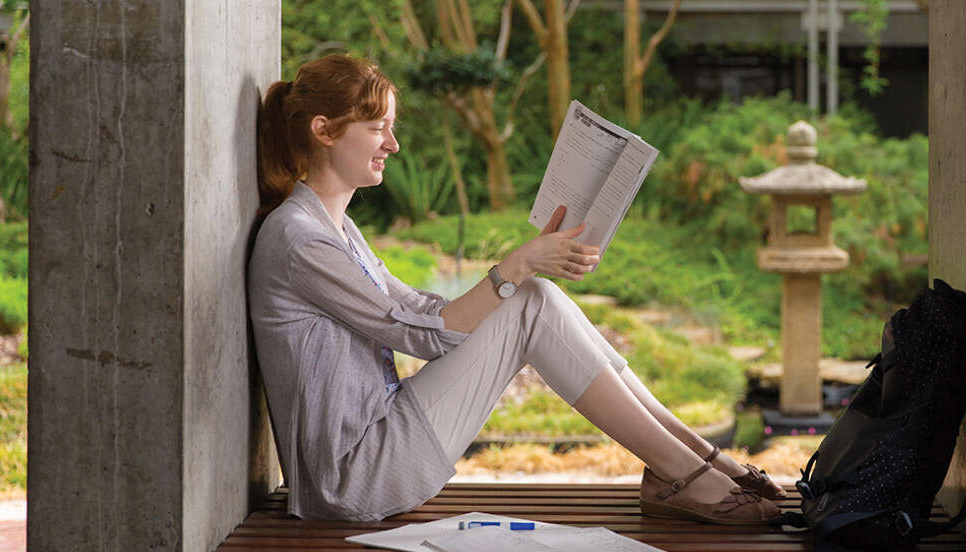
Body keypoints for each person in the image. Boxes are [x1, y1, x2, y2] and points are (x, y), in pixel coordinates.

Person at [249, 54, 785, 524]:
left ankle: (696, 460)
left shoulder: (333, 227)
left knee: (535, 298)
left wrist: (521, 268)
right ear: (323, 130)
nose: (393, 143)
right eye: (377, 128)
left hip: (379, 441)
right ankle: (683, 471)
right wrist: (515, 268)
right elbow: (420, 336)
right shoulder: (300, 239)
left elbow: (420, 308)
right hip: (354, 477)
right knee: (528, 301)